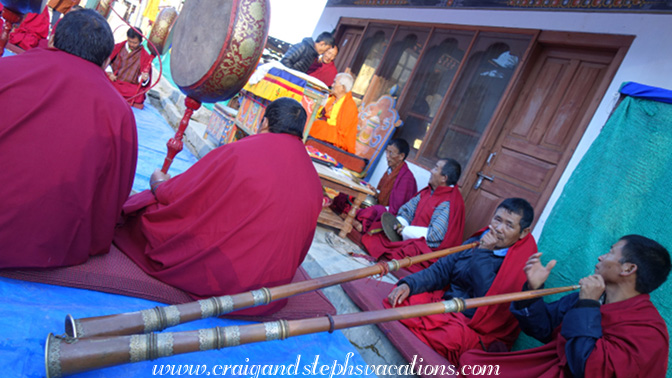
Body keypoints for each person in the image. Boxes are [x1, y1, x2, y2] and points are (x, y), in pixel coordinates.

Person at [114, 98, 323, 316]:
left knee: (146, 212)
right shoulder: (314, 180)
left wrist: (159, 184)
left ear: (265, 123)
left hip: (225, 279)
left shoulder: (241, 151)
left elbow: (180, 195)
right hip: (270, 290)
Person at [0, 9, 137, 269]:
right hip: (49, 247)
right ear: (107, 61)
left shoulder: (4, 69)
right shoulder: (120, 113)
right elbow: (111, 198)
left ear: (52, 39)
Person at [460, 234, 670, 377]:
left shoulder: (648, 331)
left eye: (610, 252)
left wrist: (588, 305)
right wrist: (534, 289)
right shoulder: (595, 295)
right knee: (472, 362)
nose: (601, 257)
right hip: (547, 369)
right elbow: (543, 328)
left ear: (627, 269)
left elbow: (587, 368)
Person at [385, 198, 537, 364]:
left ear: (523, 232)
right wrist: (409, 284)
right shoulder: (476, 242)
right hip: (447, 303)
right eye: (497, 220)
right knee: (401, 298)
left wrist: (483, 254)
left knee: (449, 338)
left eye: (509, 225)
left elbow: (487, 300)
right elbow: (441, 270)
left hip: (471, 323)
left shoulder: (517, 265)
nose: (499, 229)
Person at [361, 158, 465, 272]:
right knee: (378, 230)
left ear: (444, 178)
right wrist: (400, 224)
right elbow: (407, 210)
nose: (431, 170)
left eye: (436, 168)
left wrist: (406, 231)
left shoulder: (448, 202)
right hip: (408, 235)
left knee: (406, 252)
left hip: (425, 247)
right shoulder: (428, 191)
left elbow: (435, 235)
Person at [330, 138, 417, 232]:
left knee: (373, 211)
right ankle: (353, 219)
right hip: (378, 205)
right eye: (387, 152)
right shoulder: (390, 170)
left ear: (401, 156)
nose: (387, 156)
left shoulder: (407, 178)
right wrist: (375, 193)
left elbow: (396, 209)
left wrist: (377, 206)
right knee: (346, 196)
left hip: (390, 214)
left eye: (391, 153)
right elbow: (382, 195)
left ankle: (353, 219)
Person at [309, 72, 359, 154]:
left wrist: (319, 124)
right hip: (319, 132)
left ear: (343, 87)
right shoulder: (330, 97)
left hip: (332, 141)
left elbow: (342, 135)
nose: (332, 85)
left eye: (335, 82)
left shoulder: (350, 107)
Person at [107, 27, 154, 107]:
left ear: (140, 41)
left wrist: (144, 78)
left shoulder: (145, 56)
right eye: (129, 41)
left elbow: (144, 77)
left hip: (129, 87)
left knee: (139, 95)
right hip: (114, 81)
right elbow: (106, 62)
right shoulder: (118, 47)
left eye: (135, 43)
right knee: (103, 80)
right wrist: (109, 73)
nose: (131, 44)